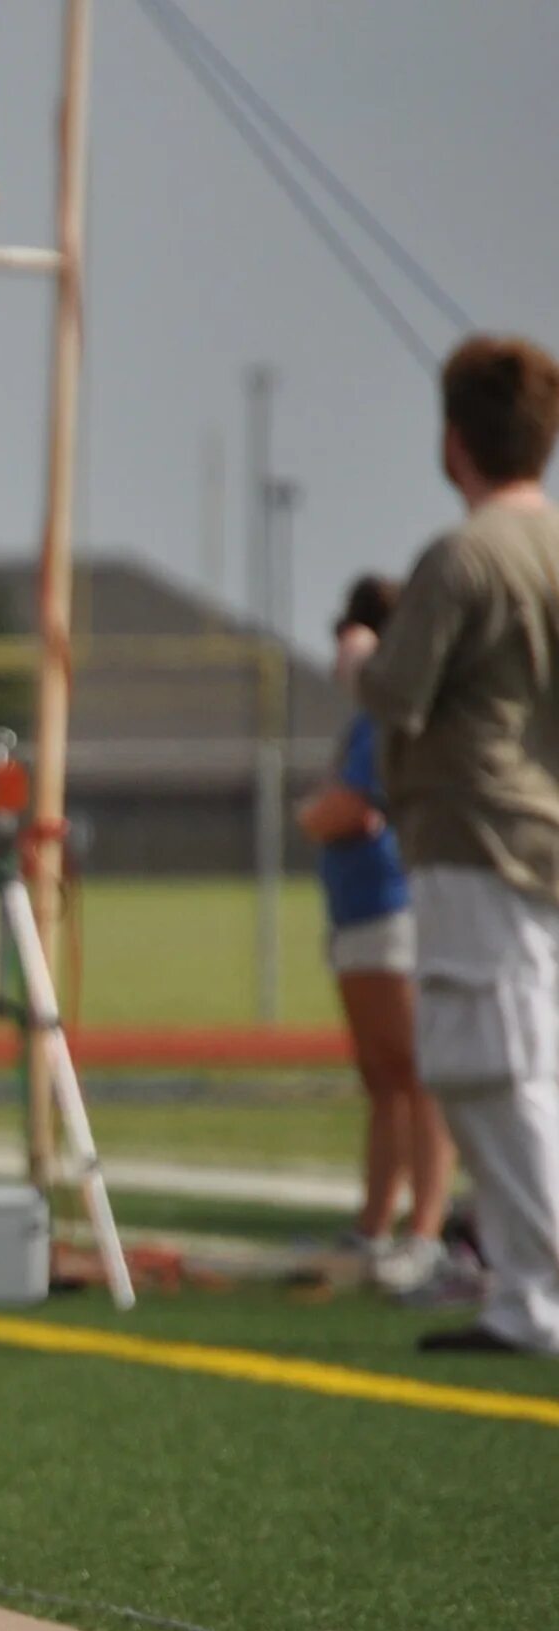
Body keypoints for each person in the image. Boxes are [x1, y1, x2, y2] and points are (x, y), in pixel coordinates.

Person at [360, 333, 559, 1358]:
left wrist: (360, 654)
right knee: (516, 1061)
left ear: (454, 443)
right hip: (538, 830)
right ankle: (525, 1293)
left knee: (496, 1067)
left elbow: (396, 688)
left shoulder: (468, 554)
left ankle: (542, 1291)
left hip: (478, 831)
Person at [299, 575, 458, 1294]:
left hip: (392, 905)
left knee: (416, 1073)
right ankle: (374, 1221)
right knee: (383, 1077)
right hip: (358, 910)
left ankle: (424, 1230)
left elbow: (356, 809)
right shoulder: (367, 715)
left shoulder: (385, 715)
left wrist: (312, 815)